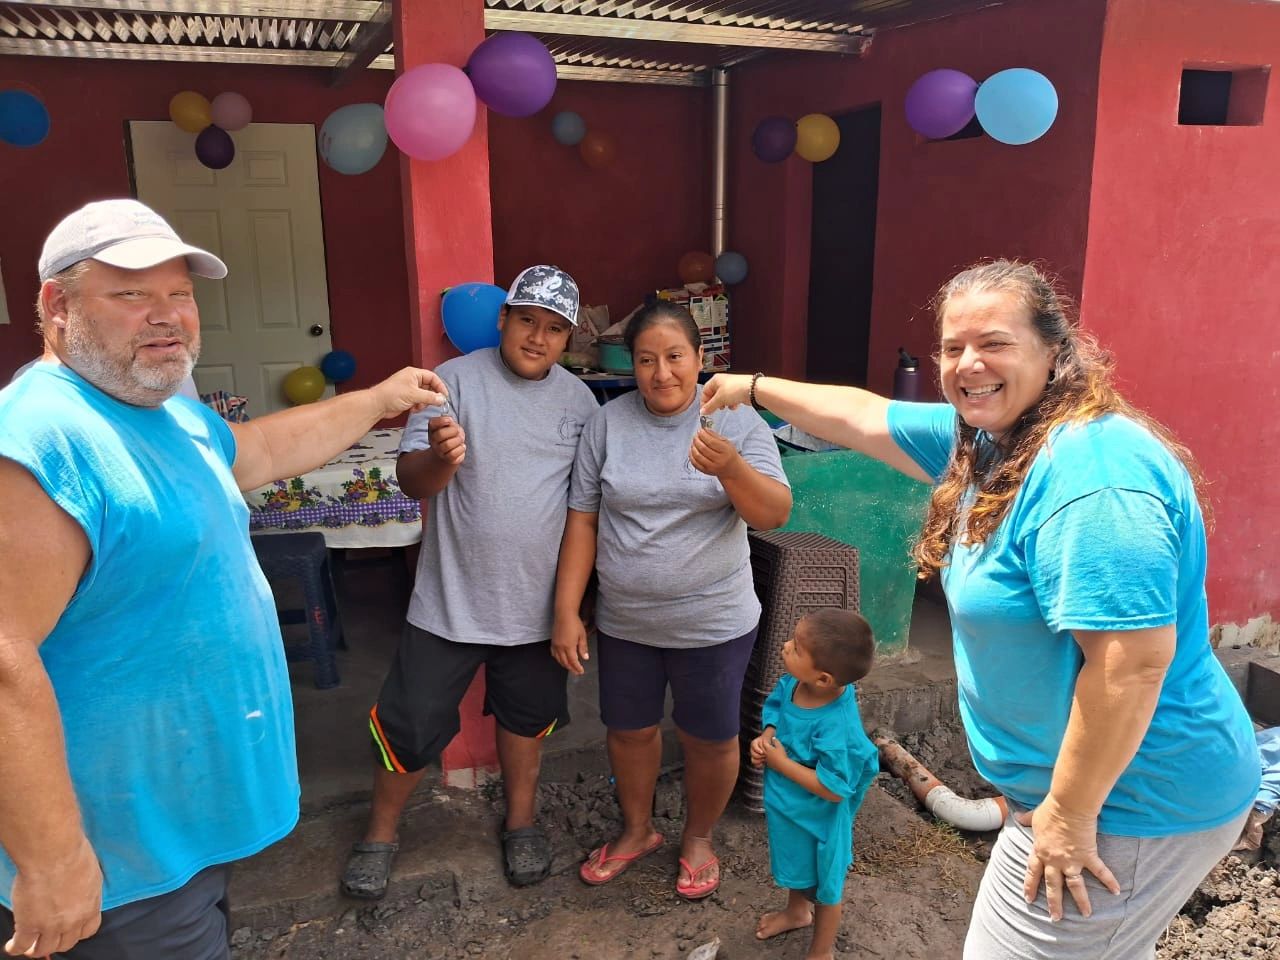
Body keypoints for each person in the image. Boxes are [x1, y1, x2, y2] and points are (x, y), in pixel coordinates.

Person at [701, 259, 1260, 959]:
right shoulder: (992, 441)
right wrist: (751, 387)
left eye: (993, 343)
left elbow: (1132, 667)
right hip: (1087, 796)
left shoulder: (1093, 478)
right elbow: (866, 416)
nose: (968, 364)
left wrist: (1067, 815)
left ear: (1054, 351)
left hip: (1133, 802)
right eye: (952, 347)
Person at [0, 198, 447, 960]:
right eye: (132, 294)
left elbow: (259, 451)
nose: (166, 315)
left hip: (180, 835)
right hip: (117, 864)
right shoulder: (43, 435)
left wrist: (376, 401)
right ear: (56, 306)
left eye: (179, 292)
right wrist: (51, 860)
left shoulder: (163, 412)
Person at [341, 265, 599, 898]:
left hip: (536, 608)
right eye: (528, 321)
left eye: (554, 329)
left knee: (527, 721)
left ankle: (521, 824)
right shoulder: (449, 384)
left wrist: (570, 609)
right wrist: (440, 458)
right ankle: (379, 833)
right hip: (448, 603)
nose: (538, 337)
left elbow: (583, 513)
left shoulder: (581, 404)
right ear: (504, 320)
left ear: (568, 340)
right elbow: (412, 483)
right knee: (410, 722)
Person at [553, 300, 793, 900]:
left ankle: (698, 837)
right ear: (630, 365)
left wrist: (732, 468)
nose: (662, 374)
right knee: (629, 730)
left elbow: (773, 513)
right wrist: (567, 611)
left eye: (675, 358)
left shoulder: (734, 420)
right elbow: (583, 518)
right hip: (626, 620)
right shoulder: (608, 424)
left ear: (700, 360)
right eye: (646, 360)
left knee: (709, 737)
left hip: (713, 621)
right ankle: (637, 832)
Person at [751, 608, 879, 960]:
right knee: (795, 863)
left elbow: (835, 787)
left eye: (795, 648)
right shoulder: (796, 684)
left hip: (821, 820)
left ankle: (821, 952)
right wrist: (767, 736)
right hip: (790, 807)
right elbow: (776, 706)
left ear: (824, 678)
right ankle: (796, 912)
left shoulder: (837, 727)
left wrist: (781, 762)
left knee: (825, 885)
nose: (785, 646)